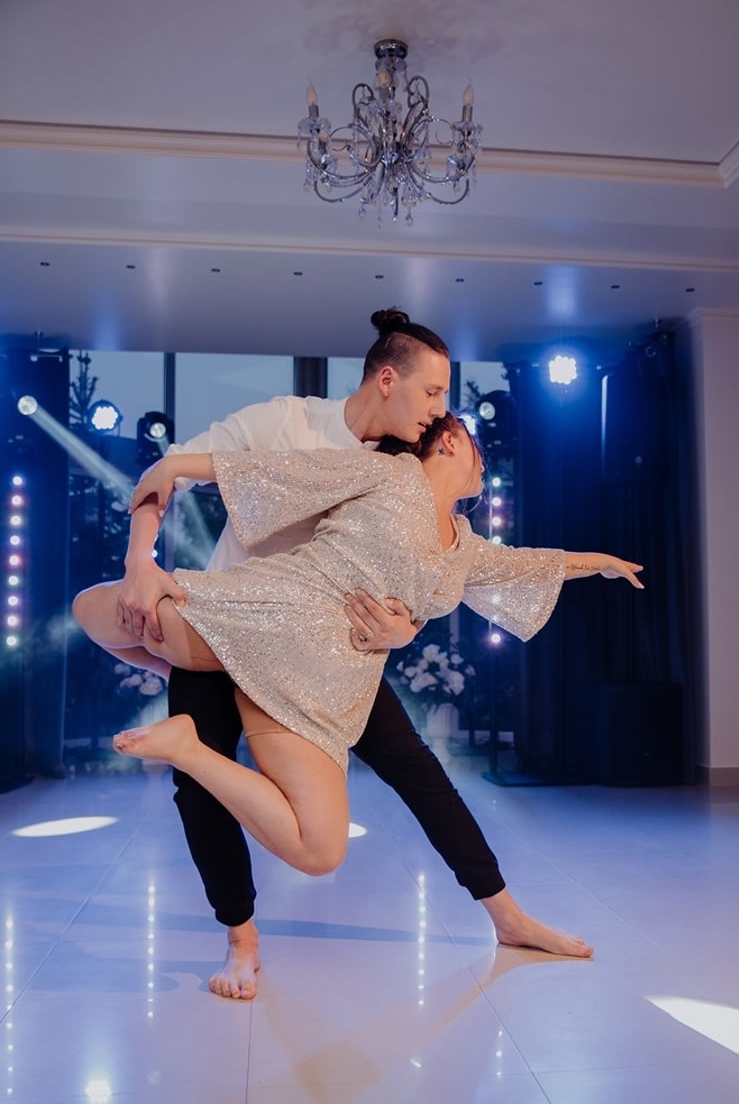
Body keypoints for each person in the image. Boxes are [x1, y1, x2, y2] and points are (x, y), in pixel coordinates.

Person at [80, 310, 608, 997]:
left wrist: (403, 630)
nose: (440, 411)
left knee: (418, 770)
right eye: (432, 393)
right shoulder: (287, 422)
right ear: (388, 378)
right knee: (198, 786)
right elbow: (172, 474)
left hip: (334, 656)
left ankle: (505, 913)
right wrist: (140, 564)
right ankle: (241, 941)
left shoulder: (401, 465)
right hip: (233, 616)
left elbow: (423, 573)